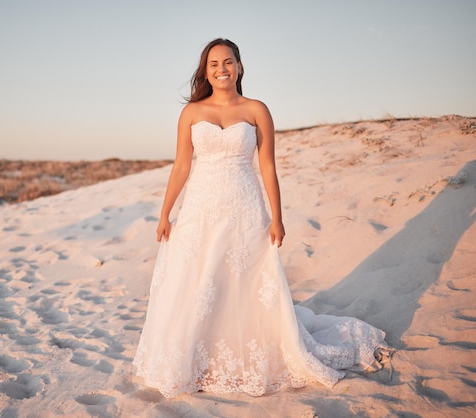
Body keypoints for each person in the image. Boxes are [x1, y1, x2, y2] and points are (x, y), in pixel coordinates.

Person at [133, 38, 392, 398]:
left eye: (228, 62)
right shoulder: (191, 112)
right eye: (213, 64)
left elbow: (267, 167)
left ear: (239, 65)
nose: (221, 69)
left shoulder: (256, 109)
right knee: (200, 283)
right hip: (200, 208)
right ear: (205, 71)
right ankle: (198, 359)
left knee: (244, 284)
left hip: (244, 207)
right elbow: (181, 166)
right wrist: (165, 213)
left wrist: (277, 217)